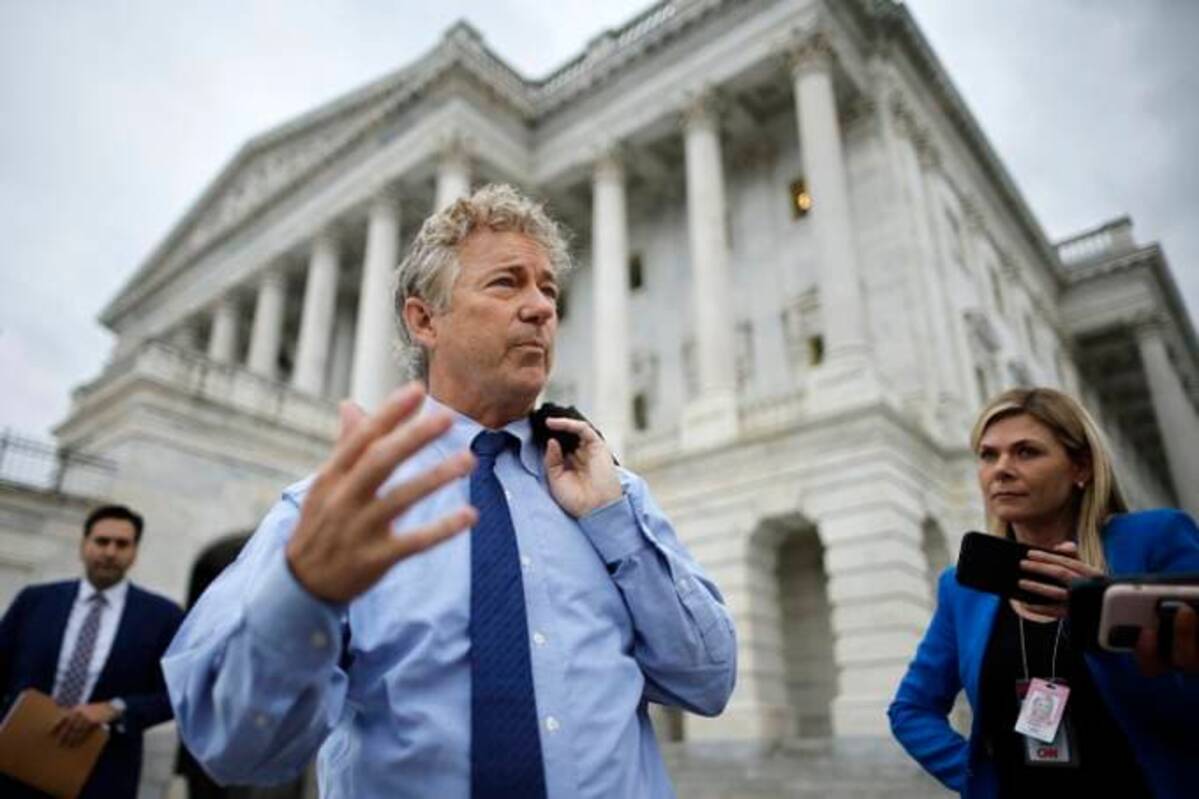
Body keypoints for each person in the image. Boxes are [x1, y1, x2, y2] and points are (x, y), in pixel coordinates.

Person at [163, 184, 737, 798]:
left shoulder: (605, 490)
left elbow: (708, 681)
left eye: (548, 288)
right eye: (506, 283)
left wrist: (614, 522)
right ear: (424, 319)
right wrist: (303, 593)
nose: (541, 308)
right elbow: (232, 746)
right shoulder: (332, 512)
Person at [889, 387, 1199, 798]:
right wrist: (982, 780)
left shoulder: (1155, 540)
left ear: (1080, 467)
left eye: (1026, 452)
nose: (1001, 469)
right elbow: (911, 709)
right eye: (988, 455)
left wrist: (1102, 613)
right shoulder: (962, 588)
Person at [0, 504, 185, 799]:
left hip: (103, 774)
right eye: (101, 541)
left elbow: (177, 693)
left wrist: (115, 708)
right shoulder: (34, 602)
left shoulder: (162, 617)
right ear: (84, 545)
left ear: (135, 552)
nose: (110, 552)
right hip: (16, 763)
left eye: (122, 544)